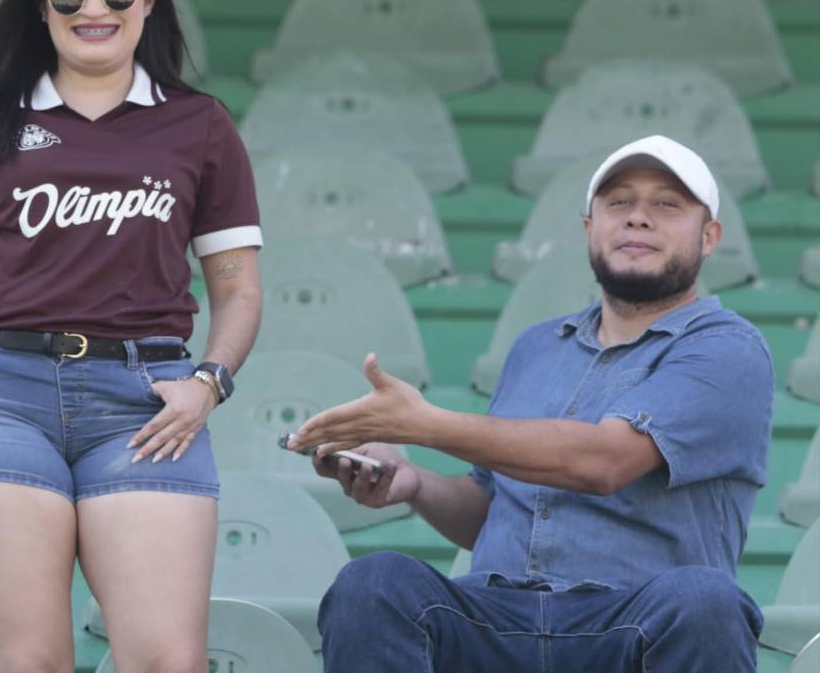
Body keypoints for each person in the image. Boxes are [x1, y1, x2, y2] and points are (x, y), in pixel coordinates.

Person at [0, 0, 262, 673]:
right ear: (43, 6)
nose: (94, 9)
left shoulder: (201, 127)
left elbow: (240, 289)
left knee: (168, 662)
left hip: (148, 404)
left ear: (149, 1)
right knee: (30, 662)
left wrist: (209, 383)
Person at [288, 135, 772, 672]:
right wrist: (415, 483)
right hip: (497, 618)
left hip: (634, 621)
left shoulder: (728, 347)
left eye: (666, 204)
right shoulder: (536, 347)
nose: (638, 218)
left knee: (706, 601)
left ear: (709, 238)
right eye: (618, 203)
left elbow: (605, 461)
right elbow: (490, 512)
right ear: (591, 229)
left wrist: (425, 425)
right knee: (373, 583)